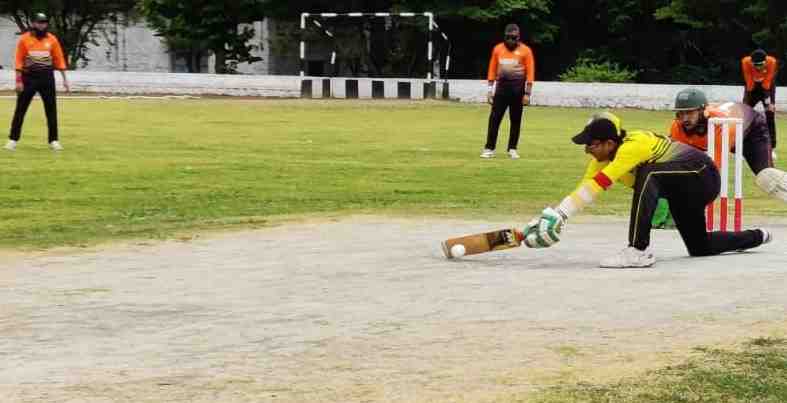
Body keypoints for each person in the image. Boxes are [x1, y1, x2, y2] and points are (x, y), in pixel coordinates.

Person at [521, 112, 771, 268]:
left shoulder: (633, 145)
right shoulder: (602, 158)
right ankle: (758, 236)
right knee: (699, 247)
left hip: (702, 175)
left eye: (591, 145)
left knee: (648, 173)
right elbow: (585, 190)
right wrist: (553, 217)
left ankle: (638, 250)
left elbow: (600, 183)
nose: (587, 150)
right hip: (681, 192)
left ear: (610, 143)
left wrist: (561, 214)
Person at [668, 88, 787, 203]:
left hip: (751, 132)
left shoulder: (720, 124)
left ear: (703, 111)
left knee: (767, 177)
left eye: (689, 112)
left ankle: (763, 152)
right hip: (719, 138)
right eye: (680, 113)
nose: (684, 118)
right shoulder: (677, 127)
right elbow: (674, 162)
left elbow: (715, 168)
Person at [5, 12, 69, 152]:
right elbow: (18, 61)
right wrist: (18, 81)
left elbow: (59, 59)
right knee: (20, 109)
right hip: (29, 78)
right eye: (39, 22)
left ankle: (54, 140)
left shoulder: (52, 39)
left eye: (44, 22)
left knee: (51, 110)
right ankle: (12, 140)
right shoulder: (24, 39)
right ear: (33, 23)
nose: (42, 25)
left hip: (47, 78)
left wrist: (65, 80)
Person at [481, 24, 535, 160]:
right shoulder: (497, 49)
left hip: (518, 92)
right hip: (501, 91)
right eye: (508, 37)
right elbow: (492, 70)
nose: (511, 40)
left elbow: (530, 73)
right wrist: (489, 90)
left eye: (514, 38)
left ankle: (512, 148)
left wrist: (527, 94)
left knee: (515, 121)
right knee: (494, 119)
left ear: (518, 37)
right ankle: (489, 148)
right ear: (504, 36)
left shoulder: (526, 51)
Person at [741, 49, 778, 159]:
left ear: (765, 61)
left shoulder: (772, 62)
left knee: (770, 115)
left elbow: (767, 83)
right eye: (756, 65)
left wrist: (769, 103)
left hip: (767, 87)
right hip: (752, 88)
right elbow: (749, 84)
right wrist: (746, 105)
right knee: (745, 116)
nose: (758, 67)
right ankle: (744, 148)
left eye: (761, 65)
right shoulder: (746, 62)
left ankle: (771, 148)